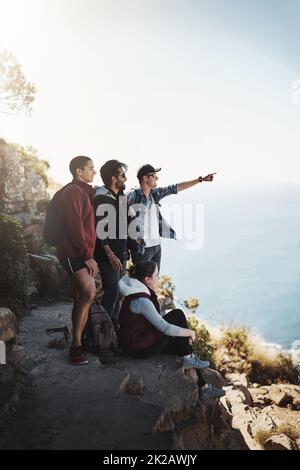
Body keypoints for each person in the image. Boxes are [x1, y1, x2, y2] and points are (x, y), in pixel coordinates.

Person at [118, 261, 225, 399]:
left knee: (184, 347)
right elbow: (165, 327)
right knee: (177, 315)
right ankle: (190, 359)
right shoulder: (141, 300)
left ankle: (203, 387)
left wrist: (183, 338)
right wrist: (189, 332)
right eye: (157, 275)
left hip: (140, 340)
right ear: (147, 279)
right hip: (139, 347)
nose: (159, 278)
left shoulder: (139, 291)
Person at [127, 164, 216, 271]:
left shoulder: (154, 194)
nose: (157, 178)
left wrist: (200, 180)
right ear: (145, 178)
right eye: (154, 175)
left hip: (156, 246)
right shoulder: (134, 195)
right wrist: (130, 215)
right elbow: (119, 202)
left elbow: (176, 187)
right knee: (141, 283)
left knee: (153, 282)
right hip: (142, 249)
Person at [58, 156, 98, 365]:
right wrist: (88, 257)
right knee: (89, 292)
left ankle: (79, 340)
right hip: (73, 253)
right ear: (78, 171)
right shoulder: (72, 192)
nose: (95, 171)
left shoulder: (82, 190)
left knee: (80, 296)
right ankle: (76, 347)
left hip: (77, 252)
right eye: (91, 168)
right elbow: (74, 227)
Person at [93, 159, 131, 322]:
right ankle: (102, 331)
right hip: (107, 255)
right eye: (123, 176)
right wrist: (110, 254)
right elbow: (99, 230)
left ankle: (112, 329)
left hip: (121, 254)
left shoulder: (120, 197)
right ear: (113, 179)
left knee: (120, 292)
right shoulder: (101, 199)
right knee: (112, 292)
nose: (125, 179)